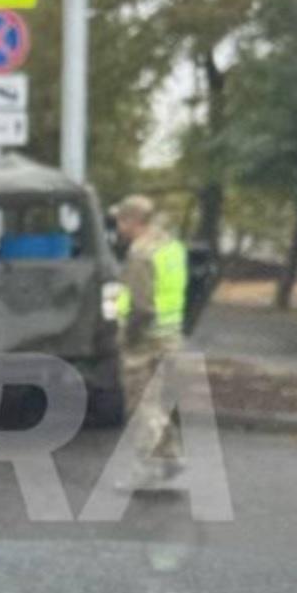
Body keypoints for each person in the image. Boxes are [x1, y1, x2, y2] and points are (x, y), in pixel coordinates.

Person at [112, 194, 189, 490]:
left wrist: (127, 339)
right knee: (155, 404)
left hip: (144, 340)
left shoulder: (140, 254)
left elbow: (142, 307)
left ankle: (149, 467)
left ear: (132, 221)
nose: (118, 227)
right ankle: (169, 458)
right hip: (170, 335)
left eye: (120, 221)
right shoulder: (171, 247)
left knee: (142, 406)